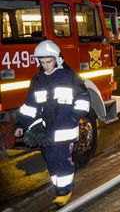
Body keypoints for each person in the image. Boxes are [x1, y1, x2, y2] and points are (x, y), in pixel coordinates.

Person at [15, 40, 90, 210]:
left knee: (62, 160)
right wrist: (21, 124)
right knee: (50, 161)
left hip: (65, 130)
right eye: (42, 62)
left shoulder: (70, 77)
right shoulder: (38, 80)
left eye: (49, 61)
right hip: (46, 131)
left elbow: (84, 100)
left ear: (57, 59)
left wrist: (72, 118)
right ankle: (58, 188)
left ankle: (64, 193)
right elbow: (30, 106)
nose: (46, 66)